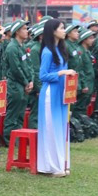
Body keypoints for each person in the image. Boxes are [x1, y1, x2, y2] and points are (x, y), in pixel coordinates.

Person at [36, 19, 73, 177]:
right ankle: (51, 166)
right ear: (52, 31)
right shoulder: (47, 51)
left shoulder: (61, 49)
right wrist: (61, 73)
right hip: (50, 93)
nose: (64, 31)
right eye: (62, 28)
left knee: (61, 127)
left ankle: (62, 162)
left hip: (62, 93)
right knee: (51, 128)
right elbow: (43, 75)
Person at [1, 20, 33, 146]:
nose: (27, 31)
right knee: (13, 113)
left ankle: (18, 138)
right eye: (24, 29)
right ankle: (10, 139)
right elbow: (16, 69)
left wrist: (31, 81)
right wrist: (26, 82)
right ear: (17, 32)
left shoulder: (22, 47)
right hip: (15, 85)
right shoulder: (12, 48)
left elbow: (28, 65)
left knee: (20, 114)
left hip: (23, 85)